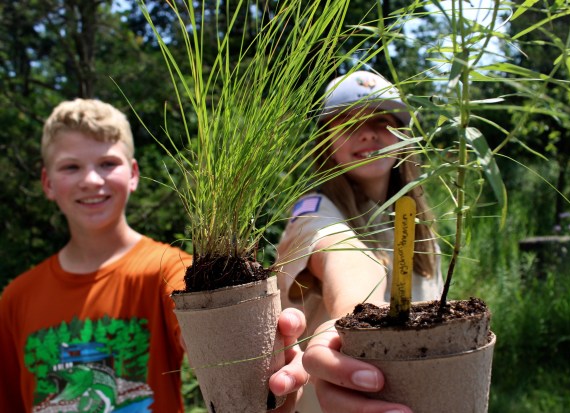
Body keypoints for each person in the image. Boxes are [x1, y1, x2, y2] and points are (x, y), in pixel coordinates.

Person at [0, 98, 308, 413]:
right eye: (70, 167)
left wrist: (265, 372)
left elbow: (199, 321)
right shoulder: (16, 299)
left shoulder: (168, 269)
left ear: (133, 174)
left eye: (107, 163)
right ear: (47, 183)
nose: (91, 180)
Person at [276, 70, 444, 411]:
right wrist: (360, 320)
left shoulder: (419, 224)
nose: (367, 133)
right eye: (348, 124)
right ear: (327, 142)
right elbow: (337, 248)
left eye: (382, 121)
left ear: (405, 138)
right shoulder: (314, 209)